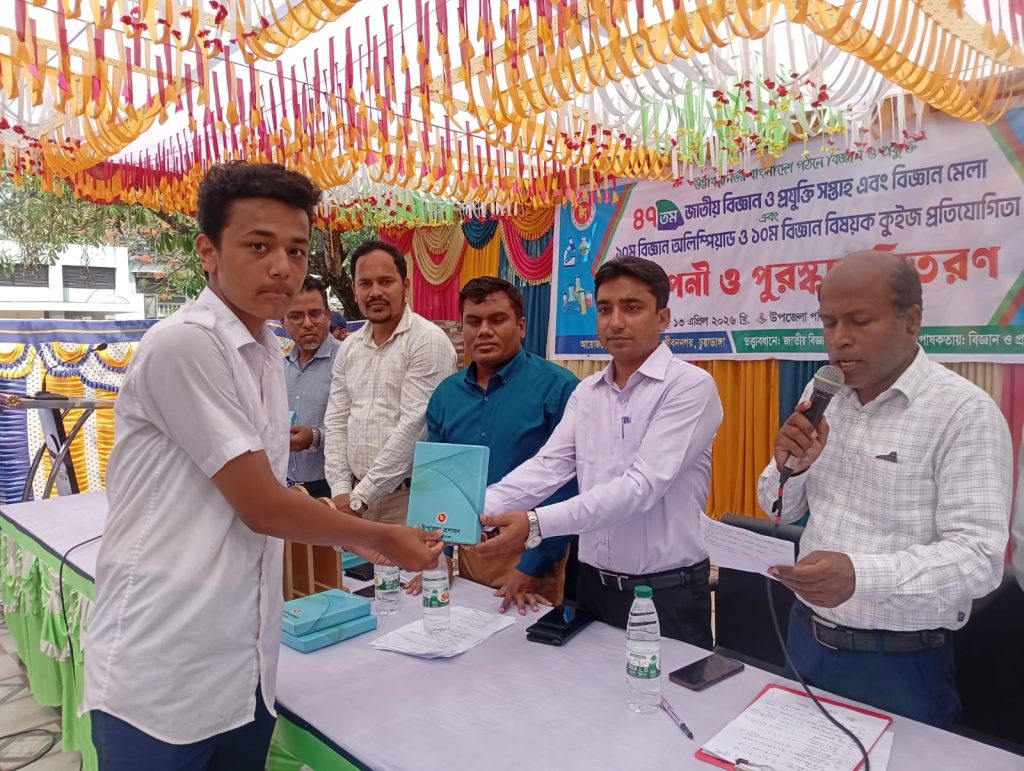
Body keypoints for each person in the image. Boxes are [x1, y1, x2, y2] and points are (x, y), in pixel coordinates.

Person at [80, 163, 442, 770]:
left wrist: (354, 526)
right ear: (208, 252)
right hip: (163, 664)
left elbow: (273, 492)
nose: (282, 267)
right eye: (258, 245)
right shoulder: (187, 343)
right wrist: (381, 537)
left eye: (296, 250)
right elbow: (264, 506)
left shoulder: (265, 354)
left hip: (243, 658)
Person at [759, 250, 1011, 729]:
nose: (839, 339)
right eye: (828, 322)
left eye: (859, 321)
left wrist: (861, 575)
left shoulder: (963, 413)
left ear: (911, 321)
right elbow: (779, 508)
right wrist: (790, 468)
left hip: (898, 663)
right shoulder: (823, 393)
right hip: (805, 638)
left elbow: (979, 559)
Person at [473, 256, 723, 645]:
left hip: (665, 594)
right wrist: (474, 512)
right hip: (591, 586)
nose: (615, 322)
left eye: (632, 308)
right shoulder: (587, 392)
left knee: (661, 686)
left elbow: (640, 488)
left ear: (663, 318)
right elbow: (549, 467)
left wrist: (536, 523)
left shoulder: (689, 387)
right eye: (605, 309)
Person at [405, 276, 580, 614]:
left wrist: (532, 567)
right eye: (474, 321)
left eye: (497, 320)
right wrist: (441, 556)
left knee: (523, 641)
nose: (484, 331)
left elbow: (570, 484)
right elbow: (441, 482)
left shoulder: (559, 389)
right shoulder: (446, 395)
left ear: (521, 326)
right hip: (470, 550)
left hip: (534, 551)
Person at [324, 240, 457, 523]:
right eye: (365, 283)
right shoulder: (350, 347)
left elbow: (415, 427)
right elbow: (336, 420)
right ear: (355, 289)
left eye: (386, 281)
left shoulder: (427, 341)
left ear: (405, 286)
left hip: (407, 501)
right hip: (353, 499)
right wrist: (340, 490)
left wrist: (359, 498)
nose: (375, 292)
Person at [283, 277, 340, 498]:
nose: (307, 323)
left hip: (333, 489)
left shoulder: (347, 359)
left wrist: (316, 437)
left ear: (328, 315)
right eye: (296, 316)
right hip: (285, 486)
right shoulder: (277, 366)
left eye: (315, 314)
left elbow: (359, 428)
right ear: (283, 320)